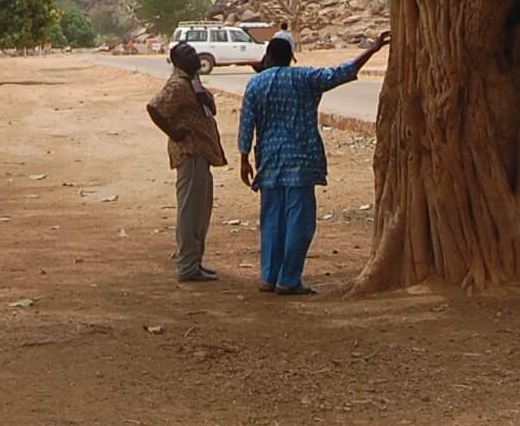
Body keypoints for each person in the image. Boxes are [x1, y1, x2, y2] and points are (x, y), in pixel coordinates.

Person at [237, 29, 389, 296]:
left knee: (272, 220)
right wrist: (373, 49)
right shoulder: (305, 78)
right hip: (301, 160)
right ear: (291, 57)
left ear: (268, 57)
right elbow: (342, 72)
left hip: (270, 162)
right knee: (299, 222)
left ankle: (268, 277)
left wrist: (243, 158)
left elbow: (246, 124)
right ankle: (289, 279)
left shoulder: (255, 84)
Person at [145, 41, 226, 282]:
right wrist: (174, 133)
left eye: (193, 51)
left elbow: (209, 109)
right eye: (187, 53)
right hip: (190, 153)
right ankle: (187, 266)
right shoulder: (178, 85)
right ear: (177, 61)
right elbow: (154, 107)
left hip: (202, 153)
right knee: (191, 212)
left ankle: (194, 262)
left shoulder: (193, 82)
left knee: (200, 211)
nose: (194, 55)